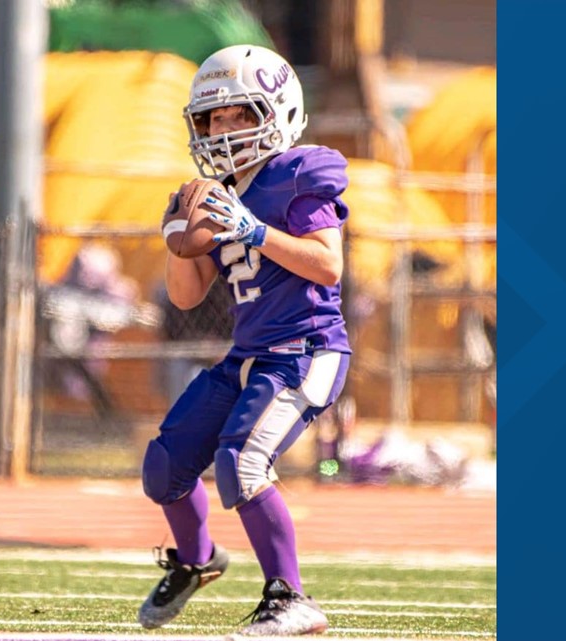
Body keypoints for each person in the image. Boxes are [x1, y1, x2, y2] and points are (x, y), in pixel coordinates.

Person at [138, 44, 352, 636]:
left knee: (243, 461)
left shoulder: (298, 173)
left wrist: (253, 229)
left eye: (239, 114)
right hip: (248, 356)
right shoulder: (216, 190)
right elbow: (187, 295)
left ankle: (291, 599)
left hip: (306, 350)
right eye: (213, 118)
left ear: (277, 112)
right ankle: (197, 559)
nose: (223, 129)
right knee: (164, 468)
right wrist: (178, 238)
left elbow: (327, 265)